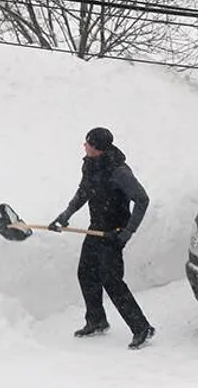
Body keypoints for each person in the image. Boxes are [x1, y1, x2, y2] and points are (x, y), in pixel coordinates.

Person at [49, 127, 156, 350]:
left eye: (88, 143)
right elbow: (84, 192)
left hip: (113, 233)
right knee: (85, 273)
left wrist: (127, 232)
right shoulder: (91, 164)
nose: (84, 146)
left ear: (98, 148)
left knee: (112, 280)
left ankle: (141, 328)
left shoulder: (119, 172)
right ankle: (96, 320)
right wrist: (66, 214)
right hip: (95, 228)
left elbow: (142, 199)